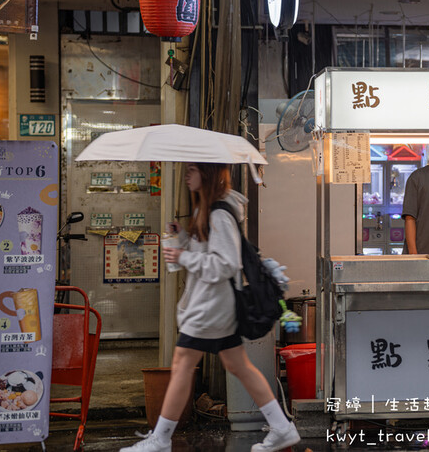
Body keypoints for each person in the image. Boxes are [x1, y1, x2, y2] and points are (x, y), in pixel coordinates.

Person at [120, 163, 300, 452]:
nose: (186, 176)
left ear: (208, 173)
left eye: (192, 169)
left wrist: (183, 255)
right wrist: (183, 242)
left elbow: (225, 264)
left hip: (209, 309)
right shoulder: (207, 211)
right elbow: (209, 255)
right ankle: (281, 427)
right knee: (238, 365)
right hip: (215, 307)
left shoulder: (218, 214)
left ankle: (161, 439)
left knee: (181, 365)